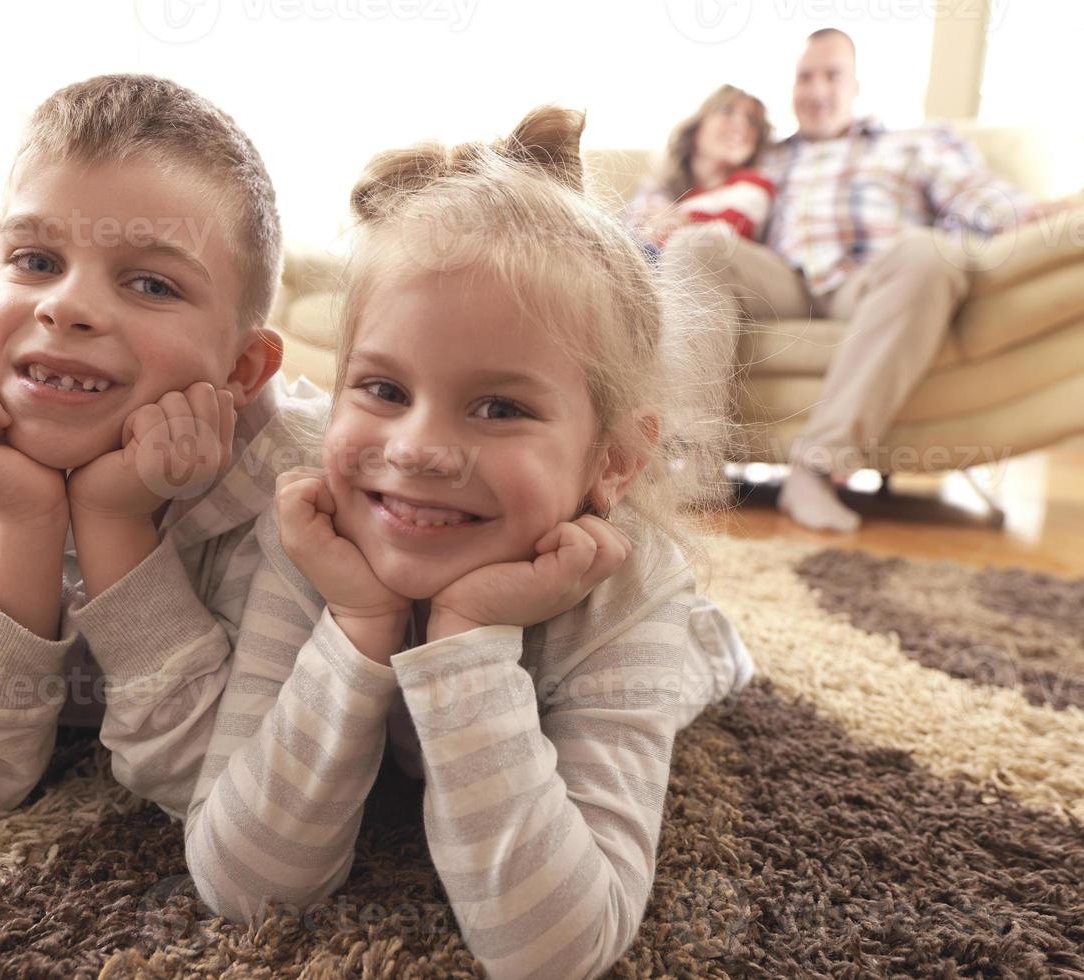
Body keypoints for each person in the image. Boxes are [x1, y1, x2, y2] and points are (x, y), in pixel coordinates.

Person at [171, 107, 754, 980]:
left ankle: (722, 648)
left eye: (499, 408)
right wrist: (361, 621)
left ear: (615, 460)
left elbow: (559, 948)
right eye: (380, 388)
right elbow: (243, 883)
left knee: (699, 668)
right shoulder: (313, 541)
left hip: (675, 648)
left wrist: (468, 640)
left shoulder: (629, 598)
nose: (414, 450)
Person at [0, 74, 329, 827]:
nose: (66, 306)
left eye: (149, 283)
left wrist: (114, 524)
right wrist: (26, 521)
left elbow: (220, 795)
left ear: (241, 371)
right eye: (36, 261)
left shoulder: (295, 485)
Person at [663, 28, 1066, 532]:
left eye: (832, 75)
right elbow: (694, 191)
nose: (817, 90)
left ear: (856, 86)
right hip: (785, 282)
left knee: (928, 250)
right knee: (699, 244)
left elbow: (979, 196)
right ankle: (689, 468)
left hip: (872, 283)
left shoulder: (914, 144)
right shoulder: (769, 157)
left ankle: (816, 470)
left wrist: (1043, 215)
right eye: (805, 77)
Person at [623, 84, 775, 253]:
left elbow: (733, 235)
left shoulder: (755, 184)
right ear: (697, 126)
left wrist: (682, 223)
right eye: (726, 111)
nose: (742, 124)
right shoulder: (661, 189)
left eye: (752, 120)